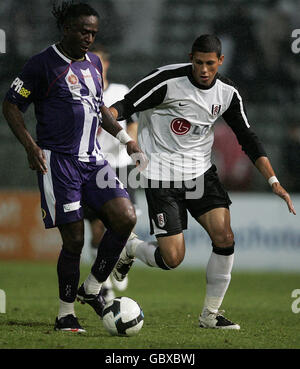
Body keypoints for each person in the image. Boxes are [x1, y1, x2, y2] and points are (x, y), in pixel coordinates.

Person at [109, 34, 296, 330]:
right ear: (191, 58)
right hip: (161, 175)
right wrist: (119, 132)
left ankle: (210, 315)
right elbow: (124, 106)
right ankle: (130, 248)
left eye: (210, 63)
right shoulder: (166, 81)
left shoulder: (227, 93)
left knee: (225, 237)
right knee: (172, 258)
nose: (204, 69)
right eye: (198, 63)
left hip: (200, 174)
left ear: (220, 61)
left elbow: (247, 138)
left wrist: (273, 180)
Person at [2, 1, 146, 333]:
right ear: (66, 28)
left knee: (126, 216)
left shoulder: (95, 63)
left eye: (93, 32)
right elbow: (11, 105)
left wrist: (127, 139)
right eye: (83, 31)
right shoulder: (42, 65)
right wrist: (30, 145)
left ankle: (93, 288)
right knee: (75, 240)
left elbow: (101, 109)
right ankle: (66, 313)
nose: (88, 37)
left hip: (94, 160)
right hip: (58, 162)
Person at [83, 45, 139, 302]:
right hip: (95, 165)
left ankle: (119, 261)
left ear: (106, 66)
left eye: (100, 63)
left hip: (120, 166)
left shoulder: (120, 91)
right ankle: (102, 282)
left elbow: (134, 118)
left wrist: (133, 145)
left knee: (127, 222)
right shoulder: (82, 92)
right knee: (97, 229)